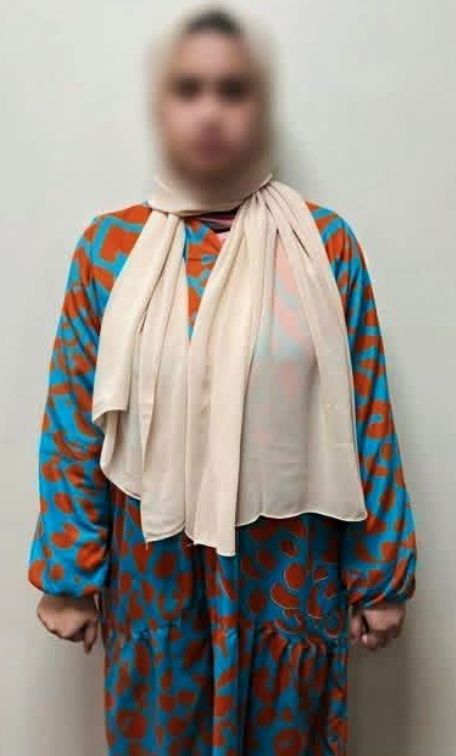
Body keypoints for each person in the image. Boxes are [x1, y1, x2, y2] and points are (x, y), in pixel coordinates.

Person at [27, 4, 417, 754]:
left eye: (233, 90)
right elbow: (74, 419)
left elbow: (366, 412)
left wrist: (381, 575)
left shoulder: (324, 247)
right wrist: (69, 576)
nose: (211, 111)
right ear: (161, 105)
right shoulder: (110, 251)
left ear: (261, 106)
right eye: (190, 89)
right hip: (157, 583)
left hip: (289, 582)